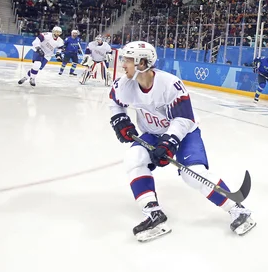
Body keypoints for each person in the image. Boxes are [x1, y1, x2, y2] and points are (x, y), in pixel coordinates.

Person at [108, 41, 256, 242]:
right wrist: (120, 120)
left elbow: (184, 119)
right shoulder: (125, 84)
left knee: (192, 174)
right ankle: (154, 213)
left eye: (128, 60)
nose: (123, 64)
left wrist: (169, 142)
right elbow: (115, 103)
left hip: (184, 133)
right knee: (134, 159)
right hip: (152, 132)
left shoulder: (170, 84)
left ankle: (237, 208)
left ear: (142, 63)